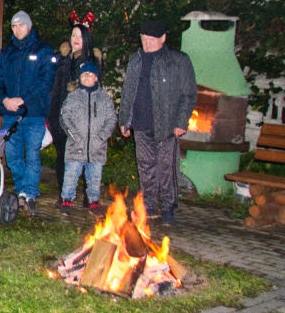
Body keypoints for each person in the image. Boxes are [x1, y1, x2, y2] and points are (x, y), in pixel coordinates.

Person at [118, 20, 197, 226]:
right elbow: (128, 92)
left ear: (163, 38)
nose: (148, 43)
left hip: (167, 126)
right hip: (141, 124)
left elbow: (188, 94)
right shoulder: (135, 60)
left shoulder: (178, 61)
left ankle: (169, 207)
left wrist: (181, 121)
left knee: (167, 169)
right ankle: (149, 205)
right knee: (145, 167)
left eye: (152, 39)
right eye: (144, 39)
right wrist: (124, 119)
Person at [0, 10, 57, 217]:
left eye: (21, 25)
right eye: (14, 26)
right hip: (11, 113)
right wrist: (4, 99)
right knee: (12, 155)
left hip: (34, 113)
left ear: (29, 26)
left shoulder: (43, 50)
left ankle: (30, 192)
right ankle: (20, 188)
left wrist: (23, 99)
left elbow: (45, 81)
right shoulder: (7, 53)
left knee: (33, 154)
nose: (17, 29)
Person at [49, 14, 103, 200]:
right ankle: (64, 196)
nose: (75, 40)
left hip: (82, 121)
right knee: (62, 156)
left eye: (80, 36)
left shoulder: (91, 61)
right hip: (59, 115)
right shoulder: (63, 59)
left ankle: (90, 198)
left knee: (85, 158)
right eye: (73, 35)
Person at [59, 62, 116, 211]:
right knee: (71, 176)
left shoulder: (104, 99)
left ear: (96, 78)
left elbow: (111, 120)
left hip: (97, 148)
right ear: (80, 77)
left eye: (90, 75)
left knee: (94, 178)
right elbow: (64, 117)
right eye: (84, 75)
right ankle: (66, 200)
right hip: (75, 146)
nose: (87, 78)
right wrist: (75, 136)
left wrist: (101, 137)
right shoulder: (73, 97)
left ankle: (93, 201)